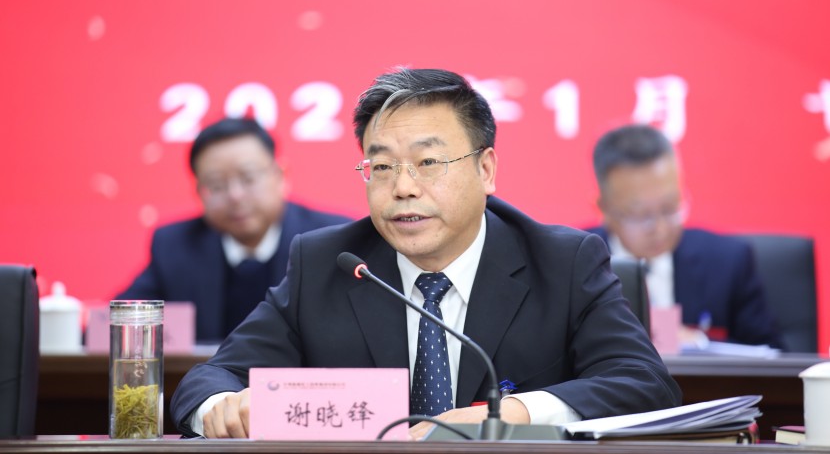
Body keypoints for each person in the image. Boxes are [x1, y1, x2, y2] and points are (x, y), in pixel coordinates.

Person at [170, 68, 681, 439]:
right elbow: (209, 381)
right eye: (382, 167)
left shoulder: (563, 262)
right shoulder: (329, 264)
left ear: (485, 170)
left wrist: (511, 415)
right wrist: (223, 407)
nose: (403, 188)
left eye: (428, 162)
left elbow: (646, 384)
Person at [117, 117, 351, 343]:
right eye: (216, 185)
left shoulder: (332, 241)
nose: (235, 195)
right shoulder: (176, 246)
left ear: (281, 176)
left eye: (248, 178)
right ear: (199, 192)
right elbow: (118, 325)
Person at [588, 123, 782, 348]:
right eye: (641, 215)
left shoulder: (728, 261)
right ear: (603, 209)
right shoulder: (574, 265)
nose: (660, 228)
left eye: (670, 208)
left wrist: (699, 343)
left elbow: (773, 355)